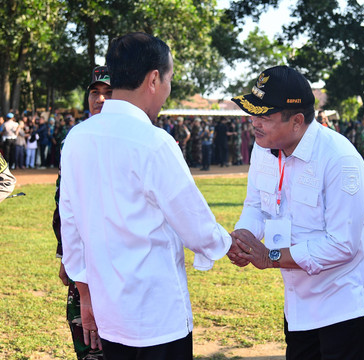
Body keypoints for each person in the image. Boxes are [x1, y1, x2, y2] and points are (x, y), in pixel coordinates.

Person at [59, 32, 234, 359]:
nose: (167, 90)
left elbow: (71, 226)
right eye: (169, 80)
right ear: (154, 79)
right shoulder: (154, 143)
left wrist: (84, 294)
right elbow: (195, 225)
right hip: (157, 316)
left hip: (109, 311)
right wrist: (228, 243)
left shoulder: (77, 139)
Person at [228, 65, 364, 360]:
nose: (254, 123)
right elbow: (256, 205)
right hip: (298, 299)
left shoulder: (340, 160)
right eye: (253, 113)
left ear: (297, 120)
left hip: (343, 299)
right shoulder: (264, 148)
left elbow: (342, 245)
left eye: (265, 116)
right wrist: (245, 237)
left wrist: (269, 257)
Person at [53, 65, 112, 360]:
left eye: (107, 93)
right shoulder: (73, 139)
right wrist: (66, 255)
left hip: (117, 263)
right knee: (87, 343)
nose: (99, 99)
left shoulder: (129, 138)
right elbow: (63, 204)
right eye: (94, 93)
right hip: (83, 261)